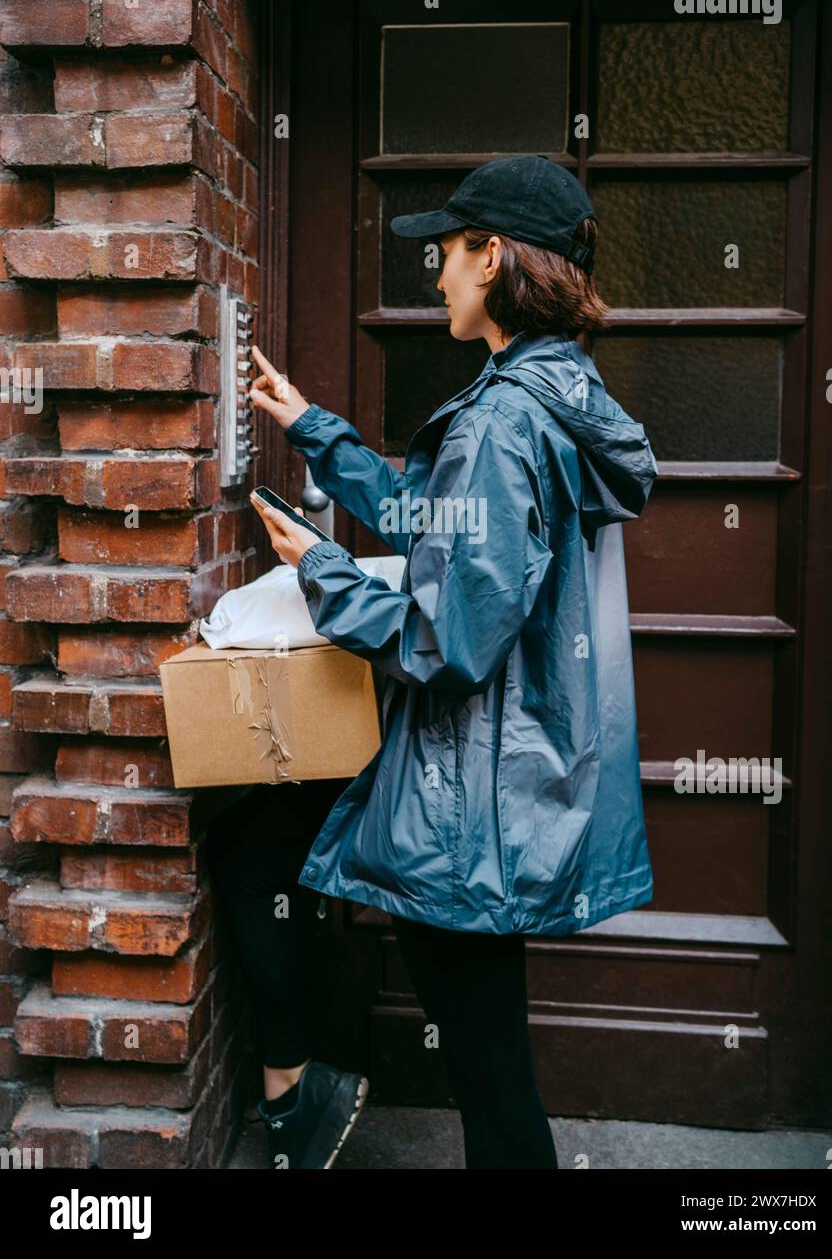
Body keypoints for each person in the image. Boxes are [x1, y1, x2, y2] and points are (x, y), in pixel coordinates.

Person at [231, 154, 657, 1169]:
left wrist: (326, 573)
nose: (436, 276)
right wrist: (313, 432)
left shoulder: (504, 420)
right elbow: (441, 523)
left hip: (473, 797)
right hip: (498, 783)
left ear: (495, 257)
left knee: (490, 1077)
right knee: (488, 1058)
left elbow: (448, 639)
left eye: (449, 253)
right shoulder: (542, 395)